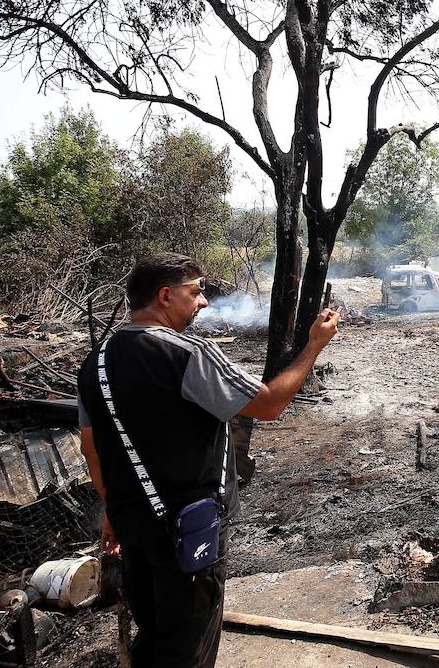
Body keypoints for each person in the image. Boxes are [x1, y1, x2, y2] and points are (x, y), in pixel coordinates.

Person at [77, 253, 338, 668]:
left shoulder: (97, 362)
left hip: (132, 523)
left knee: (154, 633)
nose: (202, 302)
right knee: (189, 646)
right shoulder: (188, 352)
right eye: (196, 292)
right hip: (190, 529)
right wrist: (313, 347)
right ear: (165, 296)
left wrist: (111, 508)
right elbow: (268, 405)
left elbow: (91, 447)